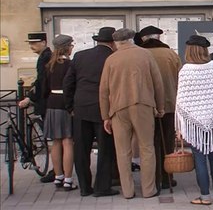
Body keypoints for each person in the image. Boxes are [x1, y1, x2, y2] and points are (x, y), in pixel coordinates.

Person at [99, 28, 165, 199]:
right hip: (143, 104)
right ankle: (148, 189)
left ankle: (128, 191)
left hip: (118, 108)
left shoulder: (111, 59)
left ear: (116, 42)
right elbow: (158, 83)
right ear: (131, 39)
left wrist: (105, 116)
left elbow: (103, 90)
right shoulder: (145, 55)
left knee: (122, 151)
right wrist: (160, 106)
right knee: (146, 147)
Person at [63, 27, 119, 197]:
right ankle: (102, 187)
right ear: (113, 42)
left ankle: (85, 187)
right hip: (104, 110)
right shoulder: (113, 58)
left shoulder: (80, 56)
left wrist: (70, 107)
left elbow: (68, 83)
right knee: (105, 149)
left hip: (81, 108)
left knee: (81, 149)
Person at [176, 35, 213, 205]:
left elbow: (181, 101)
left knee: (199, 159)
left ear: (189, 51)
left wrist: (180, 126)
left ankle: (205, 196)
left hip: (195, 124)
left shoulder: (185, 71)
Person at [137, 25, 182, 190]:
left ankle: (152, 178)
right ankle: (167, 177)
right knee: (167, 142)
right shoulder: (171, 54)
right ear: (159, 38)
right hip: (169, 104)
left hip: (146, 105)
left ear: (143, 39)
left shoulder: (141, 54)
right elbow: (180, 78)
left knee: (149, 143)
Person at [18, 32, 55, 183]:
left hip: (47, 102)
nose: (31, 46)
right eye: (30, 43)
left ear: (44, 42)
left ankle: (57, 169)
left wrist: (30, 98)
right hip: (46, 100)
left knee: (54, 138)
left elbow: (42, 81)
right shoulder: (45, 56)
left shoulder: (45, 57)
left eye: (35, 43)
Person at [42, 34, 76, 191]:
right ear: (68, 47)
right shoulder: (70, 64)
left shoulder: (49, 65)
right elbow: (71, 86)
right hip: (65, 104)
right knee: (68, 141)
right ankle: (68, 179)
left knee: (55, 142)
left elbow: (44, 88)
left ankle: (58, 176)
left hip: (51, 103)